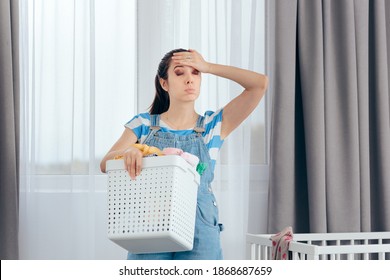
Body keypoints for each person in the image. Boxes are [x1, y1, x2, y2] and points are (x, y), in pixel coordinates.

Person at [100, 48, 268, 260]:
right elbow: (105, 163)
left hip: (201, 224)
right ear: (164, 83)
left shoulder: (212, 125)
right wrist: (131, 150)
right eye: (180, 73)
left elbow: (259, 84)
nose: (189, 79)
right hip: (151, 222)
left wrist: (208, 66)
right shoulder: (143, 124)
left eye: (195, 73)